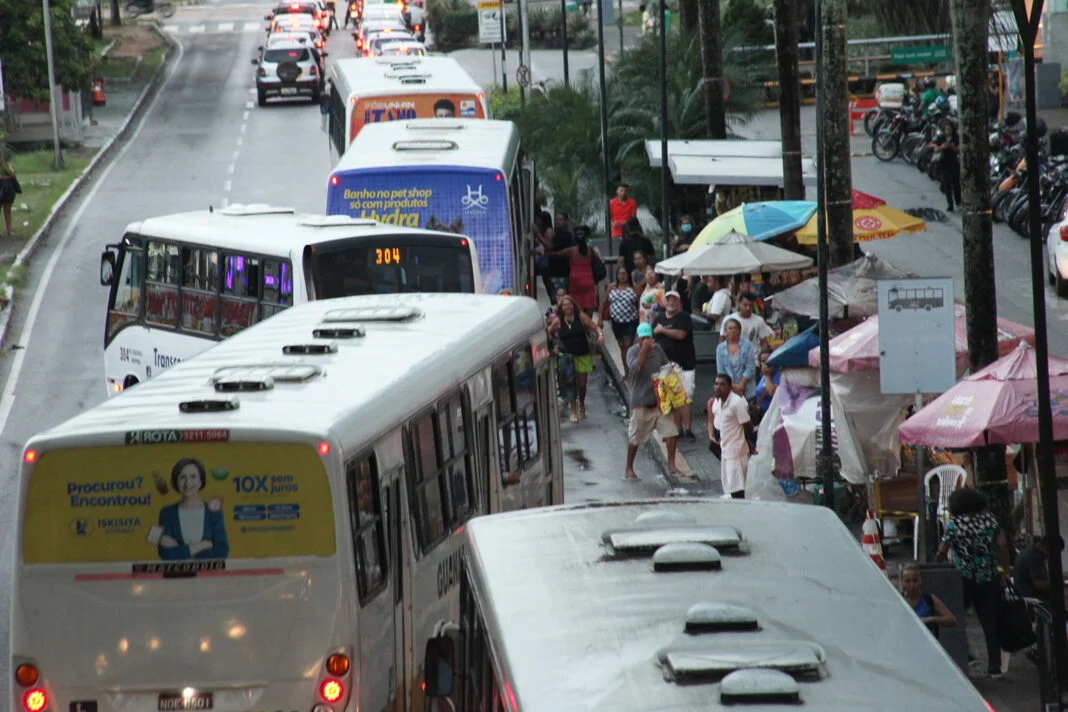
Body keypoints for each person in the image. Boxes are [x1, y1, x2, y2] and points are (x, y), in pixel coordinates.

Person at [936, 487, 1013, 678]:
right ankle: (995, 667)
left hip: (963, 578)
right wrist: (1005, 570)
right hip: (988, 577)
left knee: (957, 617)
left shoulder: (954, 525)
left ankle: (967, 655)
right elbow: (1002, 545)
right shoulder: (989, 520)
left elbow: (942, 551)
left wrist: (941, 567)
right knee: (990, 621)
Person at [624, 322, 679, 479]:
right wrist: (644, 350)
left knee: (672, 432)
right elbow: (634, 370)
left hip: (659, 401)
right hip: (641, 401)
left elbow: (666, 365)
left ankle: (672, 465)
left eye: (648, 338)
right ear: (638, 339)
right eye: (643, 338)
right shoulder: (632, 352)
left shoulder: (658, 349)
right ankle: (629, 468)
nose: (646, 341)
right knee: (635, 437)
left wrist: (671, 372)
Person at [156, 458, 229, 560]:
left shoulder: (214, 513)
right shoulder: (166, 513)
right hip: (177, 575)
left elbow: (222, 552)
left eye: (193, 477)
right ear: (176, 481)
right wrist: (202, 545)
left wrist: (181, 551)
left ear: (200, 481)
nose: (188, 483)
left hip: (208, 575)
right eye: (182, 477)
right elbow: (165, 554)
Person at [549, 294, 603, 422]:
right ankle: (573, 410)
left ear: (573, 305)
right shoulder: (557, 321)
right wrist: (553, 347)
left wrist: (600, 335)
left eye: (569, 304)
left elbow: (595, 327)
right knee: (570, 384)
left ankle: (582, 404)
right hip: (566, 356)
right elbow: (549, 333)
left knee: (582, 384)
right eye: (564, 305)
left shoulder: (580, 316)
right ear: (561, 308)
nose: (567, 307)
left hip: (582, 353)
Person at [654, 290, 696, 440]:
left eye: (674, 300)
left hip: (685, 364)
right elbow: (653, 337)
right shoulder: (658, 318)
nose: (671, 302)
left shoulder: (684, 317)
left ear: (679, 303)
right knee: (669, 397)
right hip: (665, 367)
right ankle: (675, 429)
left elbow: (681, 335)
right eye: (668, 300)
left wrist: (662, 330)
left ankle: (687, 428)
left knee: (685, 396)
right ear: (664, 303)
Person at [709, 373, 756, 499]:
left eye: (722, 384)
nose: (718, 387)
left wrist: (748, 441)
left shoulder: (736, 403)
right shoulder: (716, 403)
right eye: (716, 384)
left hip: (736, 450)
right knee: (730, 487)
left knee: (737, 488)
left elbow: (747, 425)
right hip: (725, 450)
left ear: (730, 387)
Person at [900, 564, 957, 639]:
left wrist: (932, 619)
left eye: (915, 580)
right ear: (902, 582)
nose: (912, 584)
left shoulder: (929, 599)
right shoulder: (897, 600)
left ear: (920, 580)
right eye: (907, 581)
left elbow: (952, 620)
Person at [602, 266, 640, 378]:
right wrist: (600, 318)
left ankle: (633, 370)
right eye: (620, 274)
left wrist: (632, 281)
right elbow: (604, 302)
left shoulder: (633, 287)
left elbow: (640, 297)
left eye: (624, 274)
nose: (622, 276)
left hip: (630, 320)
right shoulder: (612, 287)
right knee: (622, 346)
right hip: (616, 321)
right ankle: (626, 371)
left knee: (628, 345)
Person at [719, 292, 772, 365]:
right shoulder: (728, 319)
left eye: (750, 305)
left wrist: (763, 362)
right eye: (745, 305)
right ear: (739, 304)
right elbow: (722, 341)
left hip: (753, 362)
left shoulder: (759, 321)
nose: (748, 308)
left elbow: (764, 343)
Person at [560, 225, 601, 316]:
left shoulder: (572, 250)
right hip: (588, 280)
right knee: (589, 303)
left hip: (575, 280)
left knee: (576, 304)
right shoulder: (590, 250)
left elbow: (557, 254)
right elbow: (598, 260)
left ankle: (579, 325)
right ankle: (588, 325)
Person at [716, 317, 756, 401]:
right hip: (728, 390)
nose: (732, 331)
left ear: (740, 331)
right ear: (726, 331)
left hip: (748, 389)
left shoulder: (747, 345)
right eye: (730, 328)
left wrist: (741, 385)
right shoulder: (720, 348)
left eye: (735, 328)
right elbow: (721, 371)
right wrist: (734, 387)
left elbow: (750, 368)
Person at [1014, 534, 1064, 601]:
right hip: (1032, 598)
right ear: (1046, 548)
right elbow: (1039, 584)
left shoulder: (1027, 552)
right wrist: (1058, 584)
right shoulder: (1035, 558)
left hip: (1021, 595)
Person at [543, 211, 575, 296]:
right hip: (557, 269)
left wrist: (538, 235)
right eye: (556, 219)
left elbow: (551, 247)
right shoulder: (558, 233)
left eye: (560, 219)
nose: (557, 221)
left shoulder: (563, 234)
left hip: (560, 270)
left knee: (558, 294)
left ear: (566, 221)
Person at [936, 121, 961, 212]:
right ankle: (950, 204)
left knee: (956, 184)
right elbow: (936, 149)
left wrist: (952, 147)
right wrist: (942, 147)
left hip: (954, 163)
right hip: (944, 163)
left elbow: (959, 149)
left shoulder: (956, 138)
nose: (948, 131)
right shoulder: (941, 138)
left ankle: (958, 201)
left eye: (949, 129)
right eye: (946, 129)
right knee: (947, 185)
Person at [754, 347, 781, 413]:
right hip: (761, 412)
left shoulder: (778, 374)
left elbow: (772, 393)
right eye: (763, 361)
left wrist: (767, 375)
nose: (766, 364)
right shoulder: (762, 375)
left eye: (768, 360)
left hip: (772, 413)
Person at [0, 153, 19, 236]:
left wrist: (5, 167)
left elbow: (12, 174)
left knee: (7, 210)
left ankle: (9, 229)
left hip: (7, 190)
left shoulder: (7, 165)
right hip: (3, 189)